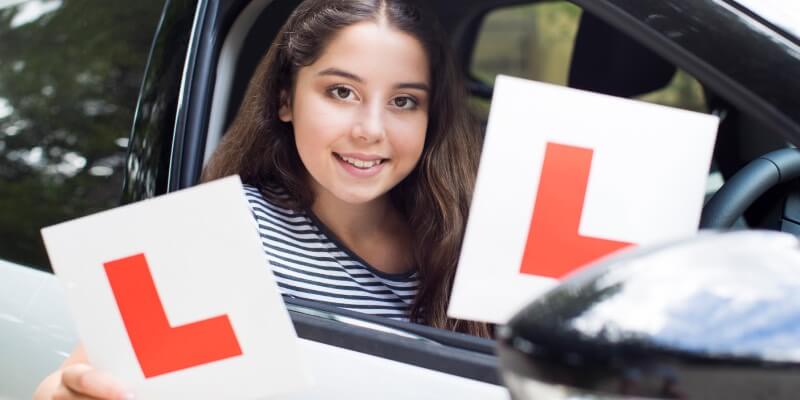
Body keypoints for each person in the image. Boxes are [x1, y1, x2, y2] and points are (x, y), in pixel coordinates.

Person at [34, 0, 488, 398]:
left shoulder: (463, 236)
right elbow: (80, 379)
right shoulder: (208, 234)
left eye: (404, 101)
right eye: (342, 92)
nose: (370, 129)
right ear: (285, 100)